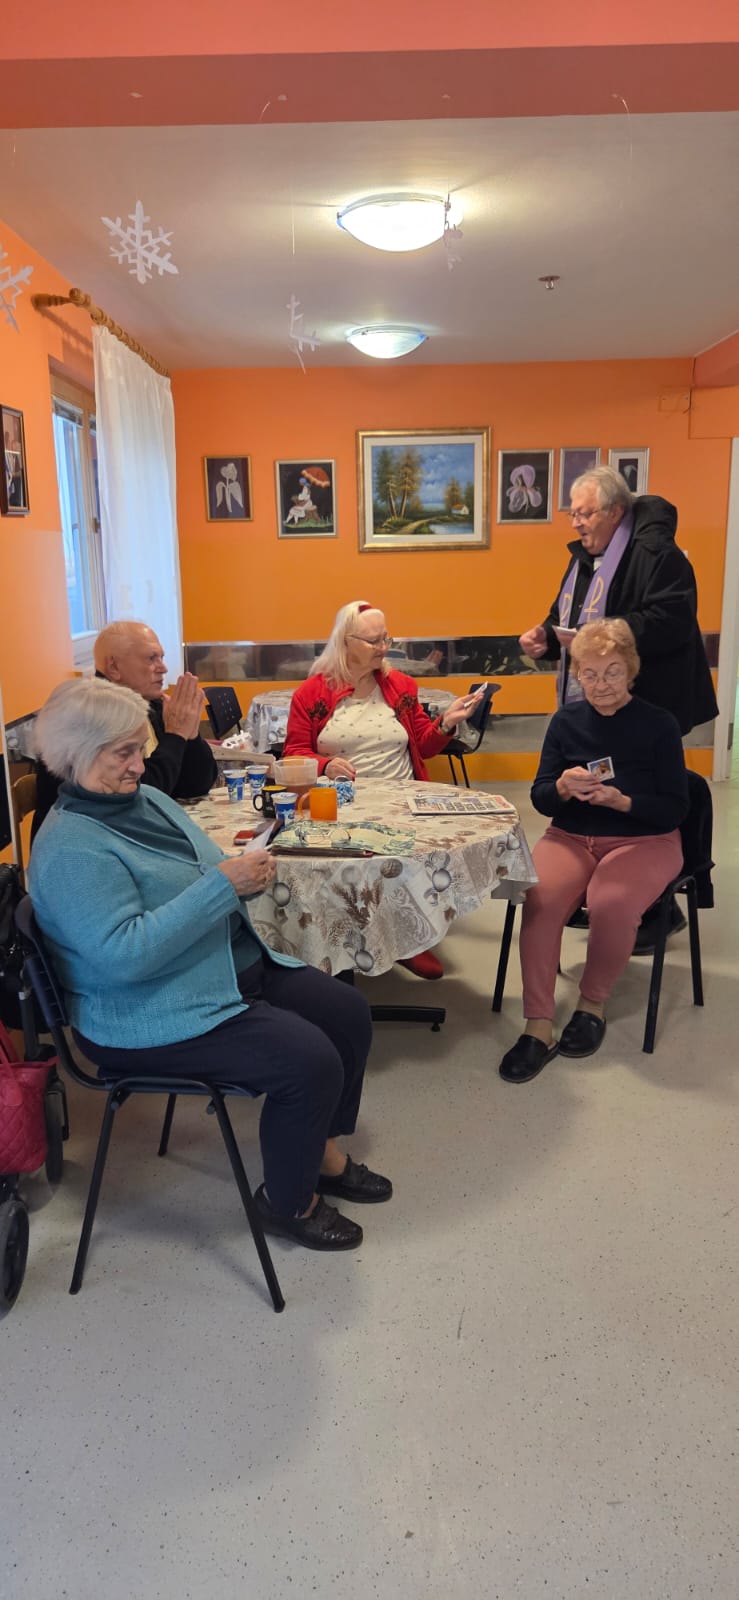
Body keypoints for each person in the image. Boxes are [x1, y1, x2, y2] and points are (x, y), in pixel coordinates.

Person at [29, 678, 391, 1252]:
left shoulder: (142, 800)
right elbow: (124, 956)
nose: (140, 764)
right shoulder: (71, 848)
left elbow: (198, 868)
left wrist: (241, 870)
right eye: (123, 752)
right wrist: (224, 885)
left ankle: (320, 1153)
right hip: (143, 1011)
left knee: (346, 1013)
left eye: (141, 747)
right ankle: (289, 1202)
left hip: (215, 966)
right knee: (310, 1061)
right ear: (77, 754)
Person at [518, 464, 717, 951]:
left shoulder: (655, 553)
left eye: (584, 513)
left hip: (648, 700)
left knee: (640, 792)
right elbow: (568, 615)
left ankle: (651, 905)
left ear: (614, 512)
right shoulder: (586, 558)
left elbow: (671, 620)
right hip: (595, 706)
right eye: (572, 513)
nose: (575, 522)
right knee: (597, 786)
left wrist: (605, 637)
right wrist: (546, 637)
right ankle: (594, 883)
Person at [499, 619, 689, 1085]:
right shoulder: (565, 722)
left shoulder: (659, 725)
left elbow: (675, 808)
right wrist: (562, 787)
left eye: (613, 672)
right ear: (577, 675)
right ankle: (538, 1023)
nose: (601, 684)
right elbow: (541, 797)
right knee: (539, 898)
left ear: (631, 671)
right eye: (590, 673)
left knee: (612, 901)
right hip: (571, 836)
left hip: (646, 838)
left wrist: (623, 802)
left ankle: (591, 1004)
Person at [284, 600, 484, 980]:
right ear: (346, 641)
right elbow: (294, 752)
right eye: (374, 640)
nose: (384, 647)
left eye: (386, 638)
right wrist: (325, 765)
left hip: (400, 799)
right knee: (344, 867)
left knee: (400, 860)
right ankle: (348, 937)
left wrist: (446, 723)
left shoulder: (401, 686)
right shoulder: (312, 694)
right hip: (341, 803)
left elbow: (423, 745)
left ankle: (407, 935)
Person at [31, 621, 218, 842]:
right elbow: (140, 794)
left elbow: (195, 786)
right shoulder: (89, 713)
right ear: (114, 667)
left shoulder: (152, 705)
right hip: (85, 842)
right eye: (151, 658)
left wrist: (190, 734)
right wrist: (176, 736)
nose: (163, 668)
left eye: (162, 657)